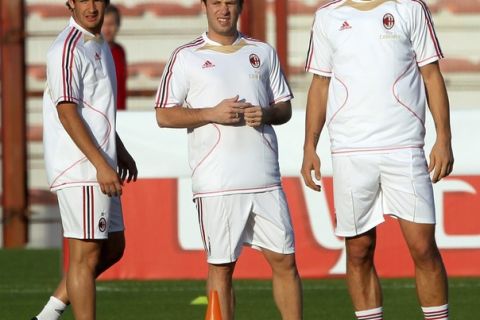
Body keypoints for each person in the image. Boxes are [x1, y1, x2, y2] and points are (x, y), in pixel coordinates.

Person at [302, 0, 453, 319]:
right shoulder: (328, 16)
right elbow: (320, 84)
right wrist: (309, 146)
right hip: (350, 151)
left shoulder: (410, 9)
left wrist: (444, 138)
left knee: (423, 247)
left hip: (403, 147)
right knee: (358, 251)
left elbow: (431, 74)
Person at [155, 0, 302, 319]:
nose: (224, 10)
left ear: (241, 7)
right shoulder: (186, 56)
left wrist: (265, 113)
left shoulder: (262, 52)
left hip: (264, 180)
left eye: (230, 3)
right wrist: (211, 113)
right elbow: (164, 115)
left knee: (285, 261)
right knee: (221, 268)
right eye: (217, 3)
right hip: (217, 182)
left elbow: (284, 109)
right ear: (205, 7)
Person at [33, 0, 137, 319]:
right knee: (85, 257)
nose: (91, 6)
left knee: (113, 248)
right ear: (70, 4)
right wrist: (100, 164)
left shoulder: (99, 43)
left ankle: (47, 315)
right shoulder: (67, 48)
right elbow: (68, 112)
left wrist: (118, 150)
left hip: (98, 160)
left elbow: (95, 110)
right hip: (80, 166)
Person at [101, 4, 127, 110]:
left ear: (118, 25)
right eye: (104, 24)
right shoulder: (92, 51)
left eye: (111, 24)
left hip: (120, 112)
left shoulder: (120, 51)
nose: (107, 29)